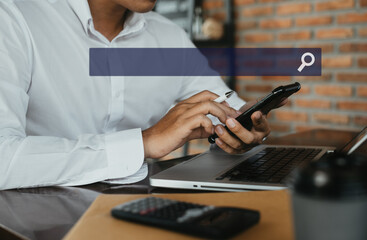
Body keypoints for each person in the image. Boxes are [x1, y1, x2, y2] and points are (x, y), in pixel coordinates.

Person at [0, 0, 273, 190]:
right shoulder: (15, 19)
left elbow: (225, 104)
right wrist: (143, 142)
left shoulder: (169, 36)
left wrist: (243, 121)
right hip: (35, 220)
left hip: (138, 207)